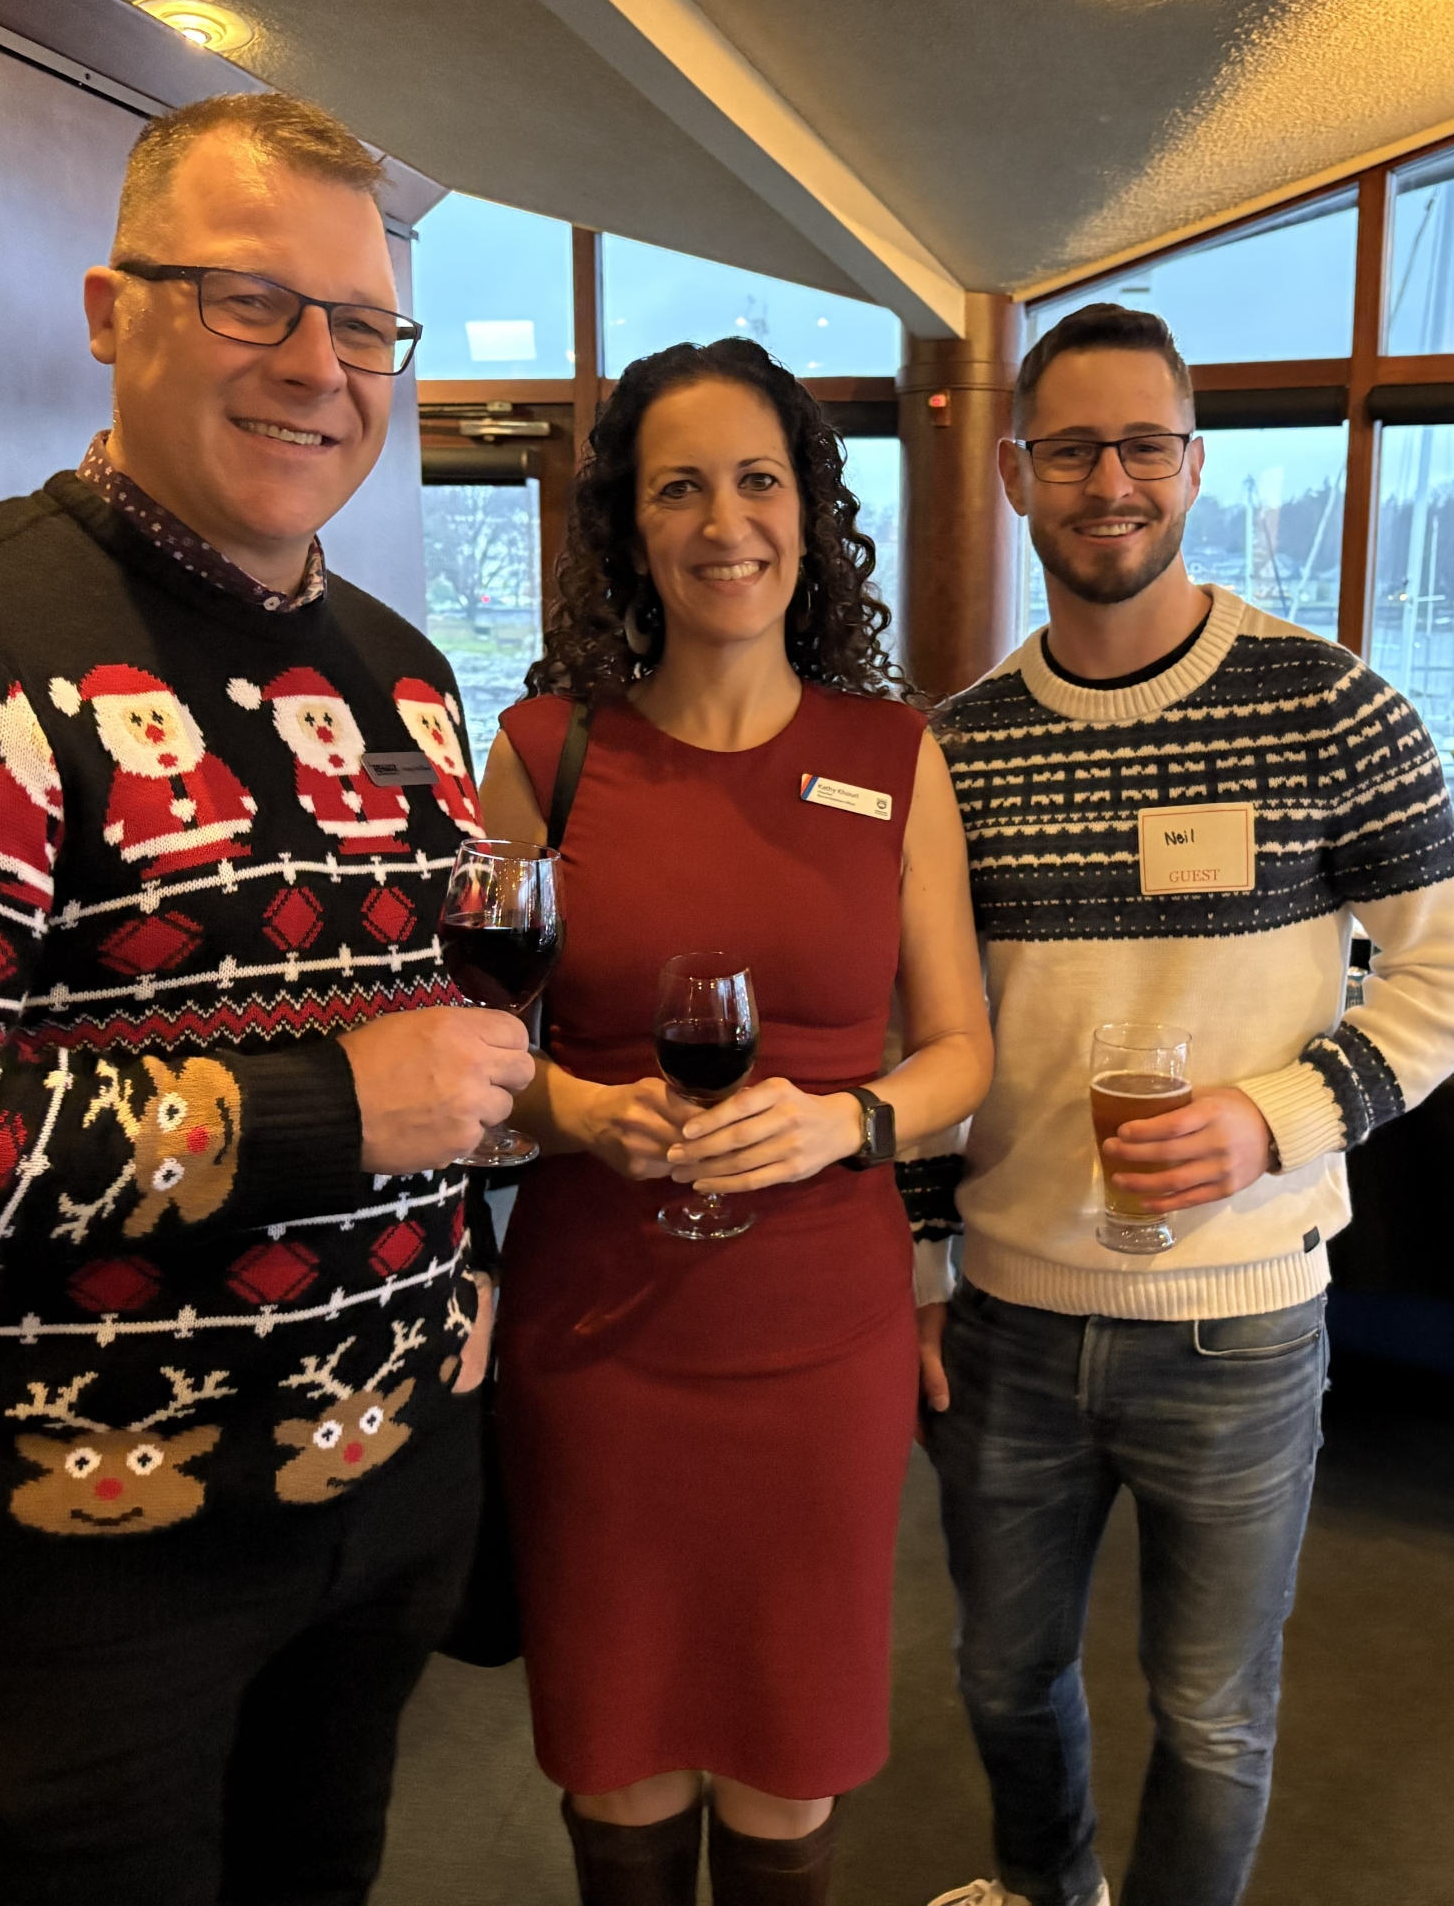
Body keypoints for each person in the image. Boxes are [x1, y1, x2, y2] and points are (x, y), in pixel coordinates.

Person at [0, 94, 533, 1906]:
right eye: (250, 298)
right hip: (67, 1579)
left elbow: (433, 1029)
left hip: (382, 1498)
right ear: (109, 310)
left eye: (362, 324)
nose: (315, 366)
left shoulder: (402, 675)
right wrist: (336, 1109)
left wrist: (459, 1276)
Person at [913, 303, 1454, 1906]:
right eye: (1071, 450)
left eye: (1143, 446)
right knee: (997, 1679)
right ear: (1017, 475)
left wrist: (1275, 1118)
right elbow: (928, 1032)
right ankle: (1049, 1888)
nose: (1110, 483)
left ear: (1194, 464)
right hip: (1010, 1318)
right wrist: (919, 1268)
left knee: (1211, 1715)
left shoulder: (1330, 703)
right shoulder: (957, 750)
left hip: (1240, 1322)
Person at [474, 338, 992, 1906]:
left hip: (820, 1338)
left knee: (787, 1746)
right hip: (600, 1336)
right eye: (678, 488)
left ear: (810, 514)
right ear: (628, 527)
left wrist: (849, 1124)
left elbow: (964, 1053)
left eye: (758, 480)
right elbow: (479, 1058)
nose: (724, 522)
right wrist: (580, 1109)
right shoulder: (545, 754)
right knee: (618, 1740)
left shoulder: (894, 755)